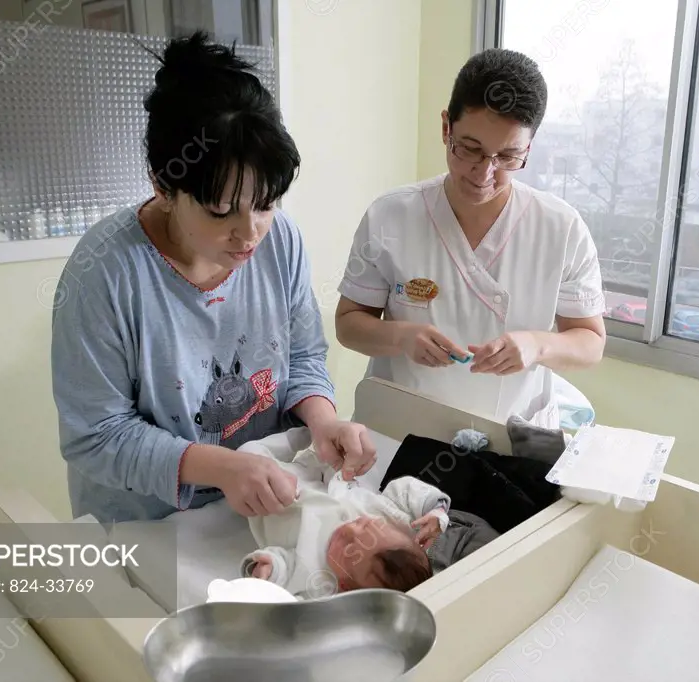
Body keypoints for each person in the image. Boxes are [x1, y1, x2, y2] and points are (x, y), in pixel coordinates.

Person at [50, 32, 376, 524]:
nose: (249, 234)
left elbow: (303, 355)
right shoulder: (106, 273)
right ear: (163, 185)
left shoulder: (280, 240)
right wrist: (219, 466)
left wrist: (323, 418)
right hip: (149, 526)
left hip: (249, 509)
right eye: (221, 211)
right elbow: (96, 433)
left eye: (265, 204)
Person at [334, 48, 606, 429]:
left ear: (529, 147)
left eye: (508, 157)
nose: (484, 173)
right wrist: (401, 337)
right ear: (446, 127)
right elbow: (348, 323)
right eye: (470, 149)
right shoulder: (390, 216)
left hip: (513, 436)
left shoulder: (561, 228)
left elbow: (590, 341)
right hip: (401, 431)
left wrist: (536, 345)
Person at [240, 440, 449, 598]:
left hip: (274, 498)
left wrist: (269, 569)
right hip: (332, 482)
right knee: (329, 452)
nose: (350, 530)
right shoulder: (395, 520)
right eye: (366, 524)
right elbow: (405, 491)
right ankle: (296, 440)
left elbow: (286, 565)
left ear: (344, 586)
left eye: (349, 548)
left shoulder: (320, 577)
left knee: (248, 453)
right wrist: (435, 510)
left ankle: (287, 444)